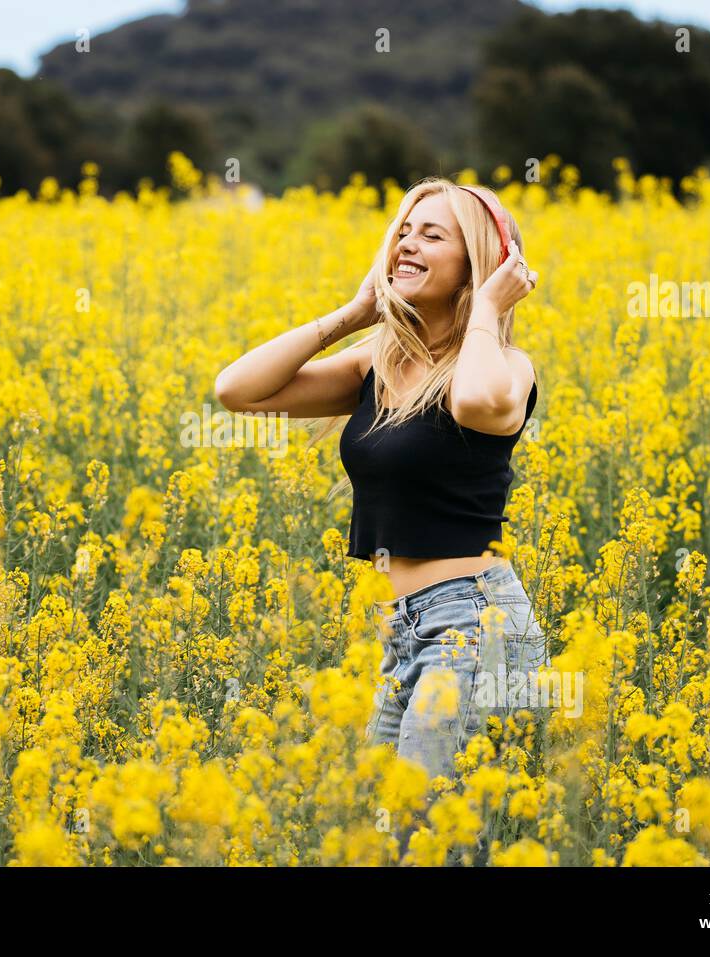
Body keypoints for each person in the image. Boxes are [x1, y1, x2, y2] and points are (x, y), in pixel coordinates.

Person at [214, 177, 549, 860]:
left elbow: (482, 401)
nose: (407, 243)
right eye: (404, 230)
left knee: (430, 843)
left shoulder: (506, 365)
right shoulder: (378, 363)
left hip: (474, 628)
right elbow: (237, 391)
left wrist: (485, 306)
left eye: (433, 234)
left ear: (476, 263)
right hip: (405, 631)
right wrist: (355, 312)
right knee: (389, 838)